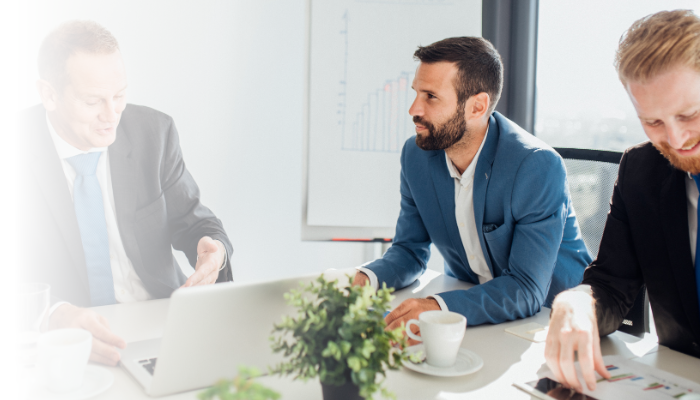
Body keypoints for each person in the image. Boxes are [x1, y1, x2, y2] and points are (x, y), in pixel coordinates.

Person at [18, 20, 233, 366]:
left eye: (119, 96)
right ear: (49, 94)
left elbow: (195, 221)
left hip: (161, 324)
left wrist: (214, 249)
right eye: (93, 101)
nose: (111, 115)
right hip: (67, 343)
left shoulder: (153, 133)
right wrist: (53, 315)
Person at [352, 37, 592, 334]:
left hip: (553, 326)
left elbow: (527, 289)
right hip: (474, 314)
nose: (414, 109)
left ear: (477, 107)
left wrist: (437, 307)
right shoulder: (416, 156)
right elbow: (409, 251)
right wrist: (365, 280)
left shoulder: (536, 167)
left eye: (431, 96)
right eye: (416, 93)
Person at [545, 10, 700, 393]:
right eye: (653, 122)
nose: (676, 138)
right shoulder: (641, 171)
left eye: (689, 114)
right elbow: (612, 285)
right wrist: (578, 302)